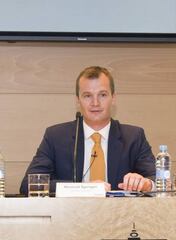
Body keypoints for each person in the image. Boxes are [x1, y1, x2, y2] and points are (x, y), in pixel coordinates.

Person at [20, 66, 155, 195]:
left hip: (121, 216)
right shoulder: (56, 137)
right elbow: (29, 184)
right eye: (87, 96)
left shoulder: (133, 137)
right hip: (70, 216)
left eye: (102, 95)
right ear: (78, 100)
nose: (95, 103)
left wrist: (146, 184)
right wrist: (83, 188)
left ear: (113, 98)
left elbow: (158, 180)